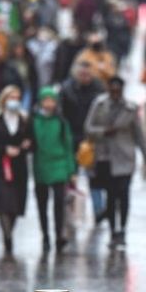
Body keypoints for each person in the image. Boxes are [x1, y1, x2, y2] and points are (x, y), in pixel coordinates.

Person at [84, 76, 146, 248]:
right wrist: (104, 132)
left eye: (118, 89)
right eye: (112, 89)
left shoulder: (130, 109)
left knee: (123, 195)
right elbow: (88, 128)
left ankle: (122, 230)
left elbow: (140, 137)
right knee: (110, 196)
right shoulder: (99, 105)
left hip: (125, 159)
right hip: (105, 158)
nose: (115, 92)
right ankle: (112, 231)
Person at [0, 85, 32, 256]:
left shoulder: (25, 119)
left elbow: (31, 140)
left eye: (17, 97)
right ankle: (7, 237)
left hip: (19, 166)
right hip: (0, 166)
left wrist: (25, 146)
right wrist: (5, 149)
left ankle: (10, 230)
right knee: (3, 202)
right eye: (11, 97)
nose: (14, 101)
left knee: (15, 204)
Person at [60, 58, 106, 223]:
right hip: (72, 137)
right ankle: (70, 206)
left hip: (92, 139)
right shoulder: (67, 89)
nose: (85, 76)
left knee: (94, 177)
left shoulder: (99, 89)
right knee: (70, 174)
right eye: (82, 73)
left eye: (87, 74)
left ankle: (98, 211)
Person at [31, 86, 76, 252]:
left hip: (59, 167)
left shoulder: (61, 123)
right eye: (46, 100)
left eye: (51, 100)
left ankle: (58, 234)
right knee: (42, 204)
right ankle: (45, 235)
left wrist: (71, 171)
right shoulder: (34, 121)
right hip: (41, 167)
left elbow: (68, 147)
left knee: (59, 204)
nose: (49, 104)